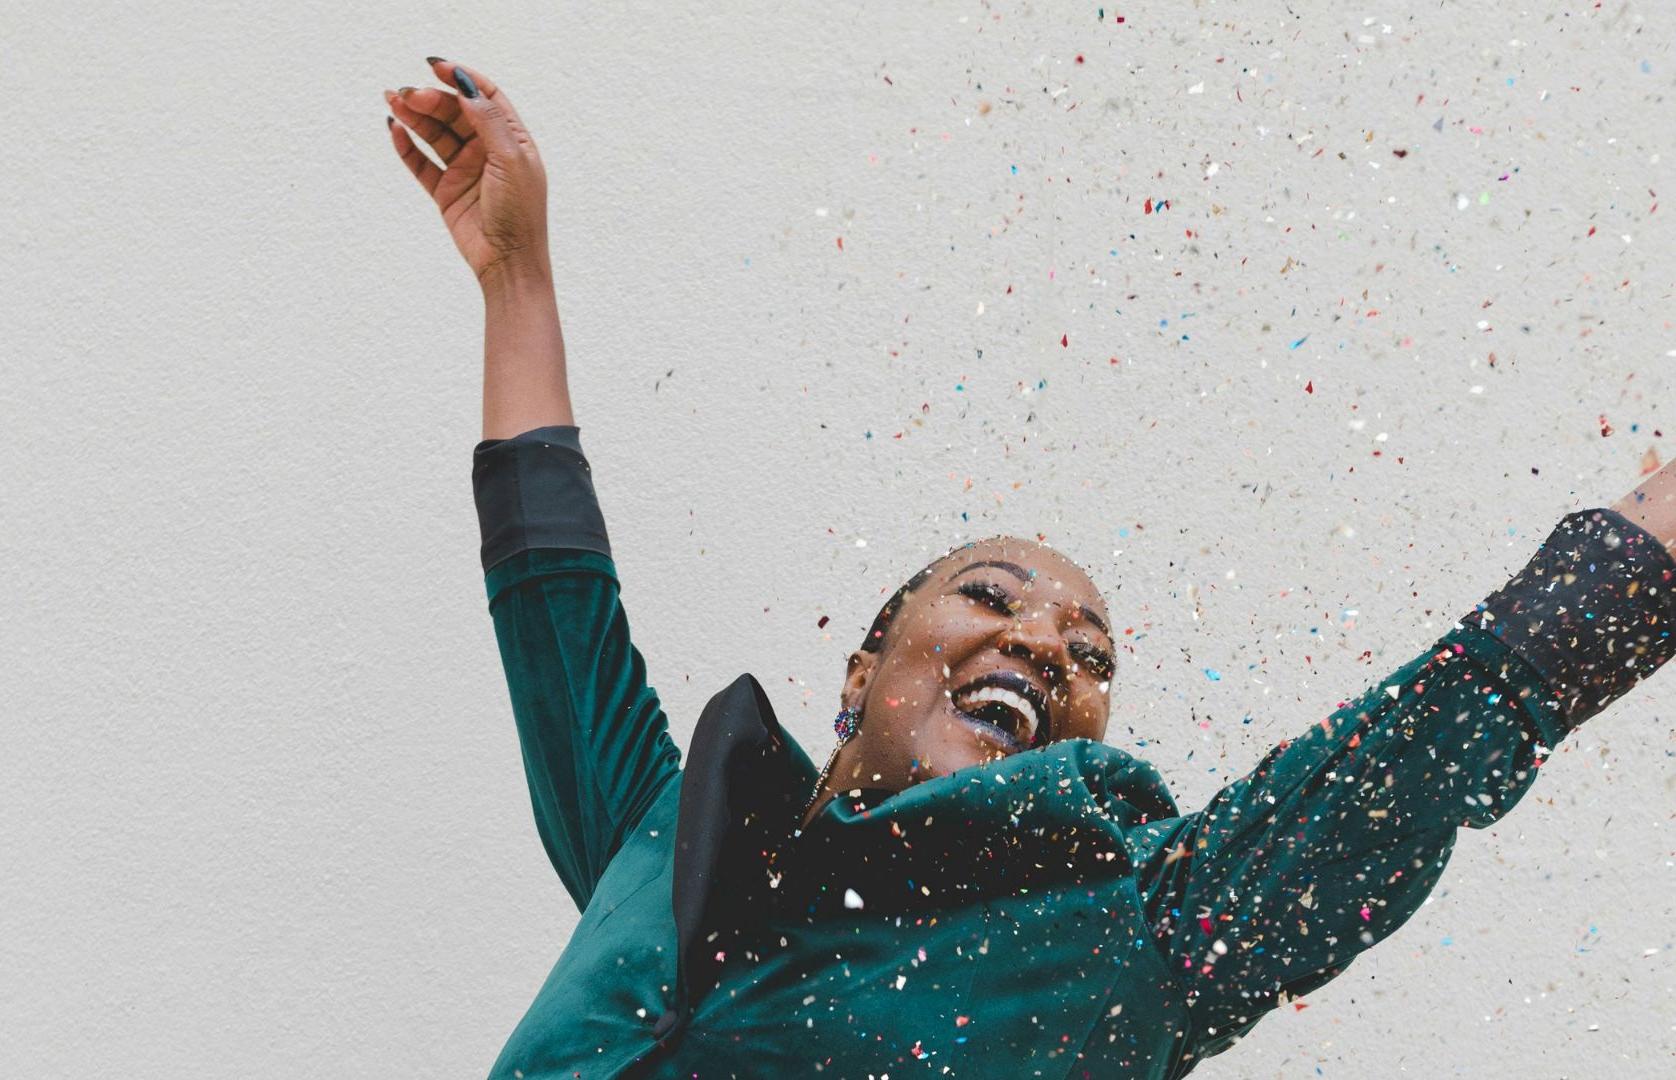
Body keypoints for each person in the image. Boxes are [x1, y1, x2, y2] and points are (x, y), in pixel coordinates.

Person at [384, 60, 1676, 1079]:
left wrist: (1650, 542)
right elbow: (556, 590)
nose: (1047, 643)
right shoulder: (663, 841)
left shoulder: (1133, 936)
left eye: (1090, 655)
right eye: (991, 597)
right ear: (866, 667)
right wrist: (516, 276)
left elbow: (1413, 761)